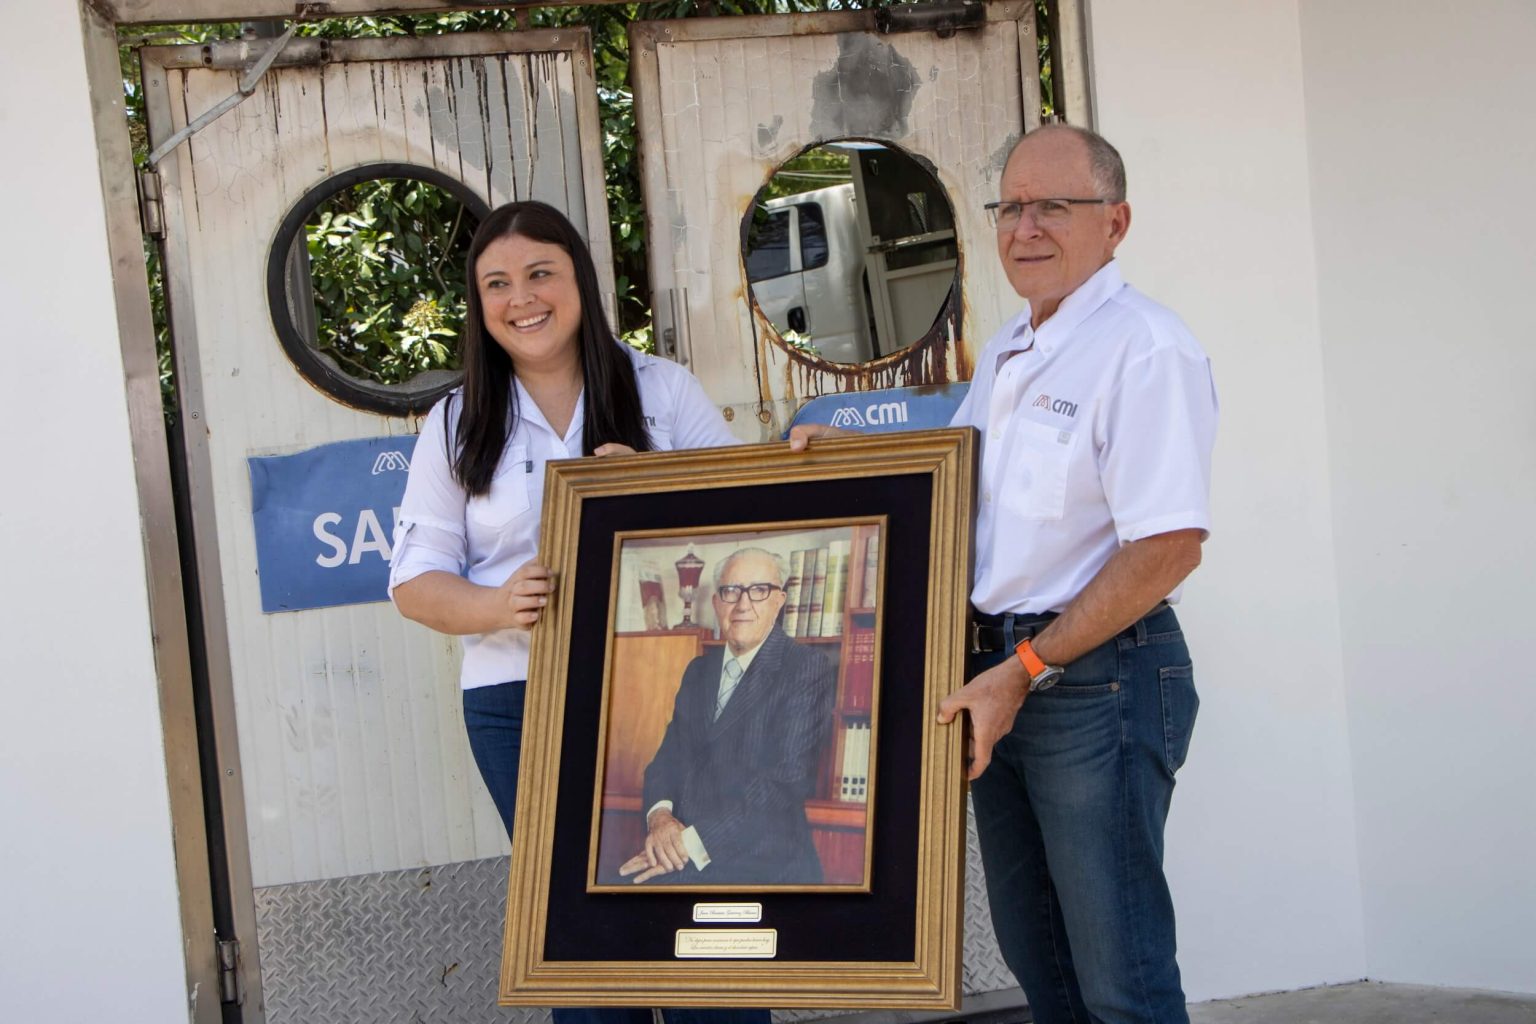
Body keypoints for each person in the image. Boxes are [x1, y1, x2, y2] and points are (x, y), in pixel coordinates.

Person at [793, 124, 1217, 1024]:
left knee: (1121, 978)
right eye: (1011, 206)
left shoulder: (1146, 350)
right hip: (999, 676)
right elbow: (965, 466)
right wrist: (850, 450)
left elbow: (1169, 545)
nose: (1026, 226)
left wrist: (1026, 672)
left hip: (1094, 680)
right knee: (1043, 964)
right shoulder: (1012, 347)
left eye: (1053, 206)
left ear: (1117, 221)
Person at [389, 200, 766, 1024]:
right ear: (478, 304)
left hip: (678, 697)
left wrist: (653, 491)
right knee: (593, 947)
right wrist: (496, 602)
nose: (521, 298)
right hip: (519, 702)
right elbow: (415, 581)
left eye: (539, 274)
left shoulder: (662, 390)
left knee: (704, 917)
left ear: (580, 283)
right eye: (496, 283)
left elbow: (750, 533)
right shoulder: (456, 421)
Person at [619, 547, 837, 885]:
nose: (743, 605)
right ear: (718, 602)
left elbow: (782, 785)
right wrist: (660, 818)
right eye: (731, 591)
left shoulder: (805, 667)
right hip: (683, 853)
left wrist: (686, 844)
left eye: (759, 590)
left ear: (779, 600)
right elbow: (668, 759)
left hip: (763, 865)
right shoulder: (699, 670)